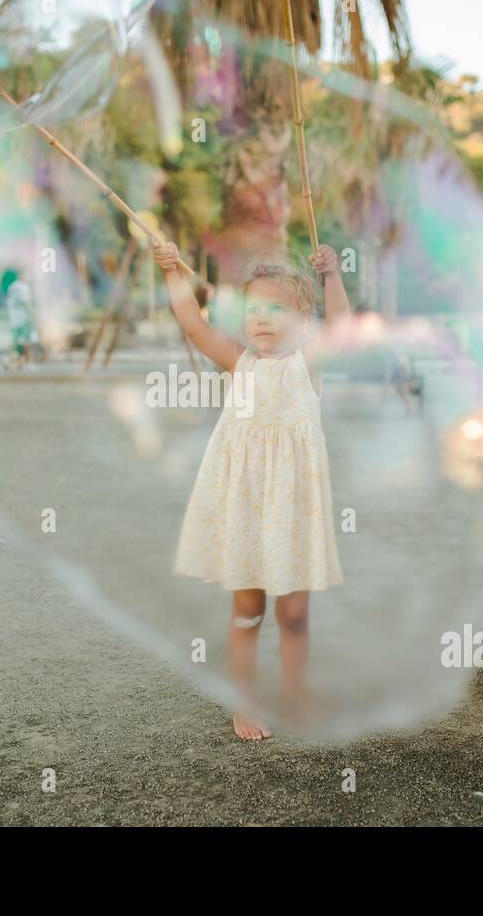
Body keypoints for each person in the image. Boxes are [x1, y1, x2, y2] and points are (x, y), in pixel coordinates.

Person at [153, 240, 348, 740]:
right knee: (248, 609)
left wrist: (331, 276)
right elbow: (193, 322)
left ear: (304, 320)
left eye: (276, 309)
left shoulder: (308, 365)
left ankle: (295, 696)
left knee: (294, 611)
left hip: (294, 507)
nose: (261, 319)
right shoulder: (240, 362)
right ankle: (244, 703)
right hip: (244, 504)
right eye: (254, 310)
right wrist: (173, 269)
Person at [4, 274, 37, 371]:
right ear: (23, 276)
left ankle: (16, 362)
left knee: (16, 342)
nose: (29, 277)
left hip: (14, 318)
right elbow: (26, 302)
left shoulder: (12, 287)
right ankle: (27, 363)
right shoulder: (24, 287)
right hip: (24, 318)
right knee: (28, 341)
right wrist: (33, 314)